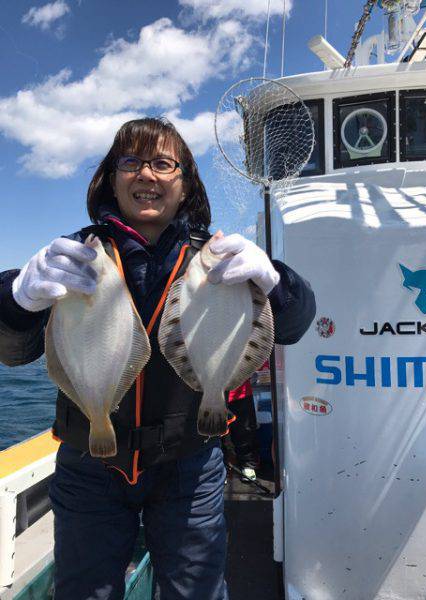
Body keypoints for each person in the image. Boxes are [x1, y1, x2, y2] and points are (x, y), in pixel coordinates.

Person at [0, 117, 316, 600]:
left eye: (163, 163)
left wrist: (276, 281)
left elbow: (293, 327)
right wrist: (16, 296)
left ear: (185, 182)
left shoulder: (221, 259)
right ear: (111, 178)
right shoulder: (76, 257)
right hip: (88, 468)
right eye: (131, 162)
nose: (147, 175)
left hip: (189, 463)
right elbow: (14, 351)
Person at [226, 380, 260, 482]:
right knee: (216, 434)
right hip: (213, 392)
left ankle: (248, 464)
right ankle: (220, 468)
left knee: (245, 430)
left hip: (240, 391)